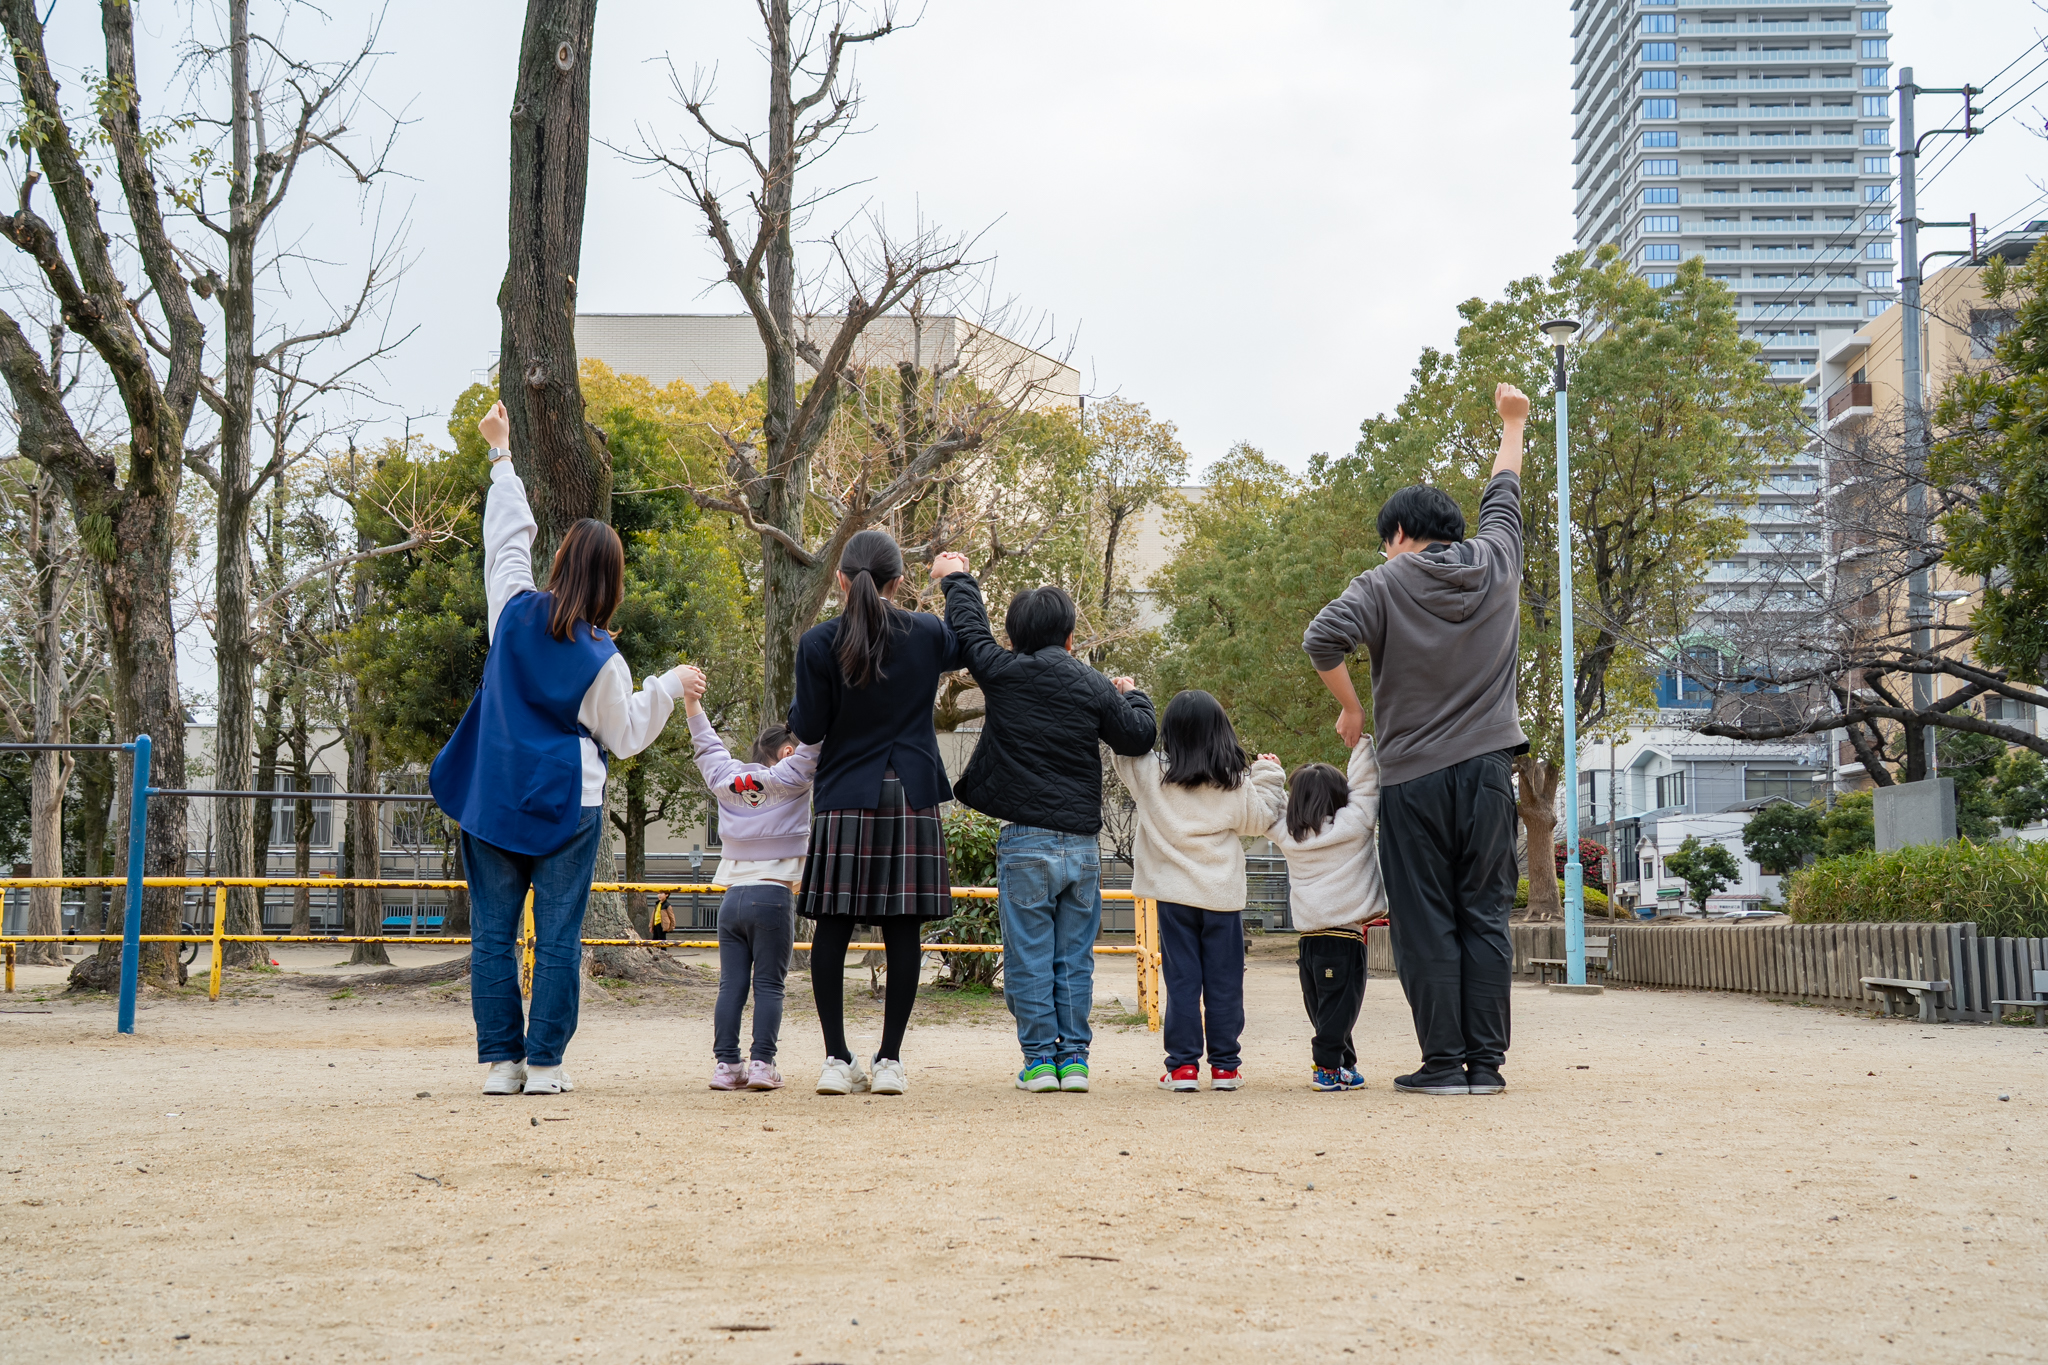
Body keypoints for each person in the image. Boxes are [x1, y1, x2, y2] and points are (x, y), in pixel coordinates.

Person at [430, 400, 691, 1098]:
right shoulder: (603, 659)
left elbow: (506, 542)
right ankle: (545, 1064)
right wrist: (668, 685)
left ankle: (501, 1064)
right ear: (613, 583)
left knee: (492, 935)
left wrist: (502, 456)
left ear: (560, 561)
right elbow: (626, 734)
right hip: (567, 805)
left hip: (493, 795)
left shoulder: (513, 611)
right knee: (557, 937)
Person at [1301, 382, 1530, 1097]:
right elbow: (1504, 490)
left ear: (1400, 533)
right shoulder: (1497, 560)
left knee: (1426, 922)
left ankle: (1442, 1063)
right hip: (1489, 771)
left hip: (1413, 779)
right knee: (1484, 915)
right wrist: (1514, 421)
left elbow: (1321, 639)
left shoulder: (1382, 582)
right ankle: (1485, 1066)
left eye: (1386, 539)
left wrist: (1352, 711)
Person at [933, 554, 1158, 1094]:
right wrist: (1132, 694)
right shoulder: (1092, 684)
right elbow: (1138, 736)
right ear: (1071, 637)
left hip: (1025, 843)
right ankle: (1074, 1061)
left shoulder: (1002, 671)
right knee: (1073, 959)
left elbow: (970, 631)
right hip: (1081, 846)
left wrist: (958, 577)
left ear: (1013, 637)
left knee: (1029, 957)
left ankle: (1038, 1063)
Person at [788, 530, 965, 1097]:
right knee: (902, 928)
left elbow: (808, 728)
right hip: (910, 792)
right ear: (899, 581)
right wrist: (956, 580)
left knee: (833, 926)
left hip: (846, 793)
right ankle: (889, 1060)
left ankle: (836, 1060)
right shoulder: (927, 632)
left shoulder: (818, 642)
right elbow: (971, 640)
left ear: (841, 580)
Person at [1112, 690, 1284, 1093]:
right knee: (1225, 984)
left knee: (1182, 983)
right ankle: (1225, 1068)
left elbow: (1124, 751)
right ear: (1221, 731)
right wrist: (1269, 773)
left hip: (1173, 897)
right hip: (1221, 896)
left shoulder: (1151, 773)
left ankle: (1183, 1067)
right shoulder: (1234, 781)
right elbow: (1261, 819)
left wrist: (1131, 698)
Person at [681, 667, 822, 1092]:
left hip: (732, 899)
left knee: (731, 985)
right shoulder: (791, 777)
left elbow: (707, 744)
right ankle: (762, 1064)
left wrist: (691, 700)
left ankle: (727, 1066)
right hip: (773, 895)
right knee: (769, 985)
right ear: (785, 753)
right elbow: (816, 744)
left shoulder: (725, 779)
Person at [1266, 738, 1387, 1092]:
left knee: (1324, 1008)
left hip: (1309, 942)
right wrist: (1360, 744)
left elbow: (1271, 809)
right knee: (1341, 1007)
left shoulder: (1288, 834)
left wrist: (1271, 772)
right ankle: (1327, 1067)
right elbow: (1366, 787)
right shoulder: (1353, 826)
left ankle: (1344, 1064)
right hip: (1343, 938)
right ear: (1340, 797)